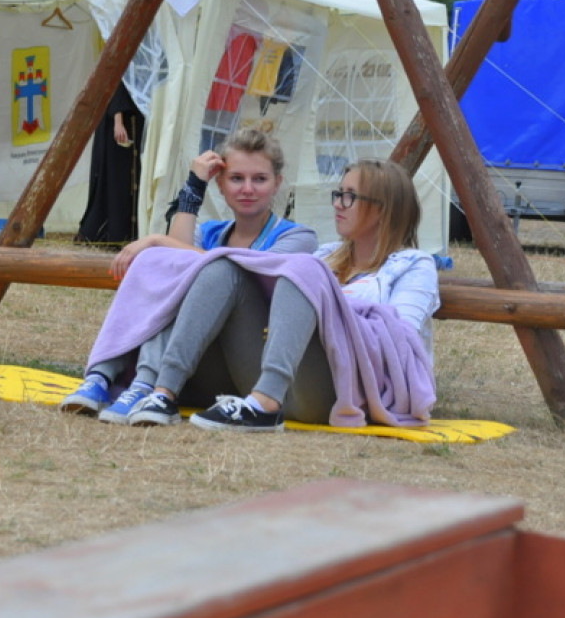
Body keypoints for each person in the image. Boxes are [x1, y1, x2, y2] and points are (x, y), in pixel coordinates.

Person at [112, 159, 440, 431]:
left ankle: (264, 406)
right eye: (338, 194)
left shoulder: (412, 265)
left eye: (350, 196)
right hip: (283, 374)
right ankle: (161, 392)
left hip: (345, 388)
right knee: (223, 269)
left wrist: (331, 309)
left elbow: (400, 341)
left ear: (384, 210)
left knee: (302, 270)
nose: (338, 204)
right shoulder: (325, 254)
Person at [60, 127, 318, 422]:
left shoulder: (299, 237)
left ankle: (148, 383)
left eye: (259, 179)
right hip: (198, 364)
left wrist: (158, 239)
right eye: (236, 178)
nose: (247, 188)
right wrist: (194, 185)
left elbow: (243, 268)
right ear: (219, 184)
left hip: (252, 367)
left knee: (215, 271)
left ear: (277, 184)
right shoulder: (210, 233)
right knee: (168, 271)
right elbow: (174, 261)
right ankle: (103, 376)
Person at [74, 82, 145, 244]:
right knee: (114, 179)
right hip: (118, 126)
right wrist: (118, 121)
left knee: (130, 179)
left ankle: (129, 232)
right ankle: (111, 233)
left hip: (134, 123)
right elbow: (117, 85)